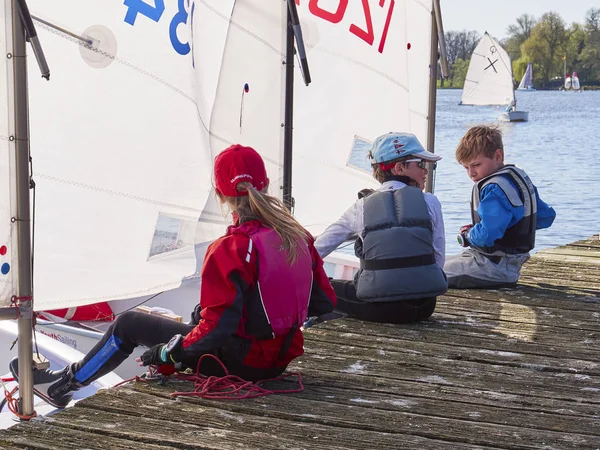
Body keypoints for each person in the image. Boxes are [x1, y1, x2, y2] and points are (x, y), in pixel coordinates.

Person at [10, 144, 336, 408]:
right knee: (198, 315)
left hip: (239, 366)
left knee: (129, 325)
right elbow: (323, 302)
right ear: (264, 184)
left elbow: (216, 332)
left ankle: (62, 386)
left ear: (220, 194)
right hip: (275, 363)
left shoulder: (231, 247)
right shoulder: (299, 237)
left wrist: (171, 352)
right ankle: (65, 382)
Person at [315, 132, 447, 324]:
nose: (426, 170)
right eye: (421, 164)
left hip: (380, 310)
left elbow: (316, 253)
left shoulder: (360, 208)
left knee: (319, 286)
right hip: (424, 307)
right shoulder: (431, 202)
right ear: (399, 168)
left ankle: (319, 319)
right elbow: (439, 260)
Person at [444, 125, 556, 288]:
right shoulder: (516, 178)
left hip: (493, 267)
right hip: (505, 262)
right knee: (431, 262)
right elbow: (545, 217)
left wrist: (468, 236)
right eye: (466, 167)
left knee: (430, 273)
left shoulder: (494, 189)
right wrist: (510, 227)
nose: (471, 173)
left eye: (476, 165)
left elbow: (488, 234)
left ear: (497, 156)